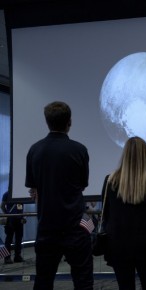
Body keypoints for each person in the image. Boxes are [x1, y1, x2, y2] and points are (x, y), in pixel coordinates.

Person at [25, 101, 93, 290]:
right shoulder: (79, 150)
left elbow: (33, 189)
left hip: (47, 228)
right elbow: (82, 185)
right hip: (76, 227)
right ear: (69, 122)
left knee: (43, 281)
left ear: (47, 122)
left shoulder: (35, 150)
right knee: (83, 282)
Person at [101, 136, 146, 290]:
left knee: (125, 286)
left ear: (125, 154)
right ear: (145, 155)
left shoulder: (110, 181)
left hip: (118, 243)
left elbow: (106, 215)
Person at [1, 191, 24, 264]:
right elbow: (2, 206)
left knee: (16, 238)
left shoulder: (7, 194)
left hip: (15, 218)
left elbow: (2, 206)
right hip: (14, 219)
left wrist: (7, 213)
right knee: (11, 239)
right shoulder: (16, 194)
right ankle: (9, 258)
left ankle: (16, 257)